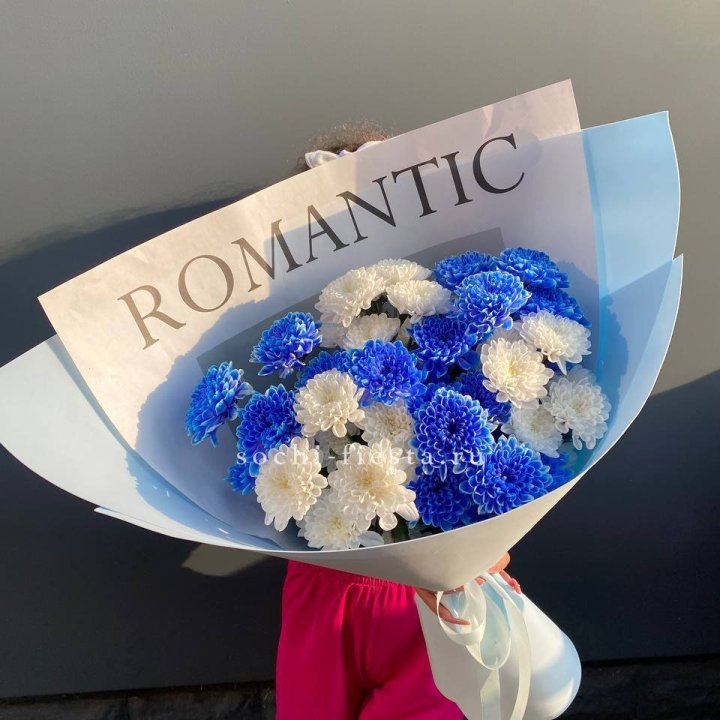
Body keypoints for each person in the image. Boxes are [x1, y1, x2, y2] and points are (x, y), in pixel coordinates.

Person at [275, 122, 520, 720]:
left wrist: (487, 540)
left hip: (444, 584)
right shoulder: (302, 341)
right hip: (336, 578)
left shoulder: (455, 319)